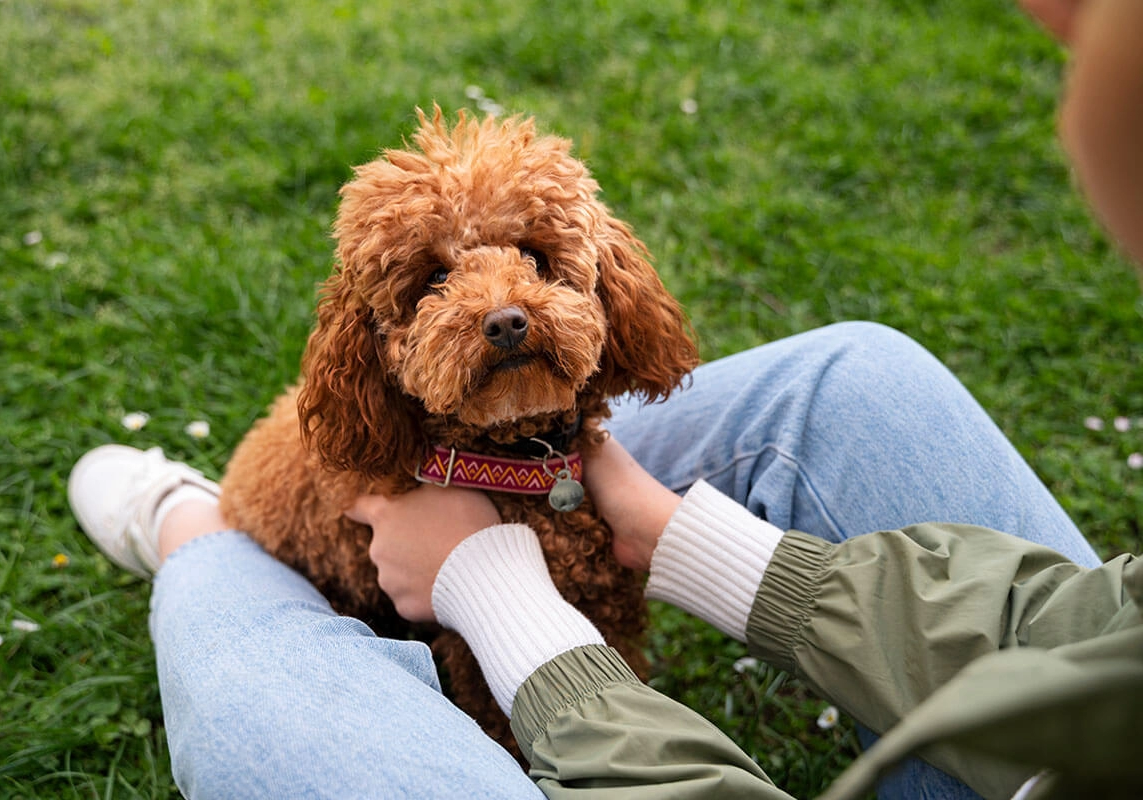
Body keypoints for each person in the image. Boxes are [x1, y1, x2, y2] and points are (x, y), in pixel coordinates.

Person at [66, 0, 1142, 798]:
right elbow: (1092, 642)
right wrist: (674, 534)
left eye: (539, 257)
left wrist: (489, 591)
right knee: (858, 372)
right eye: (437, 280)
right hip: (392, 501)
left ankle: (195, 536)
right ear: (374, 344)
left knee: (256, 686)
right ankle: (235, 533)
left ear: (600, 281)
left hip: (509, 523)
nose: (501, 306)